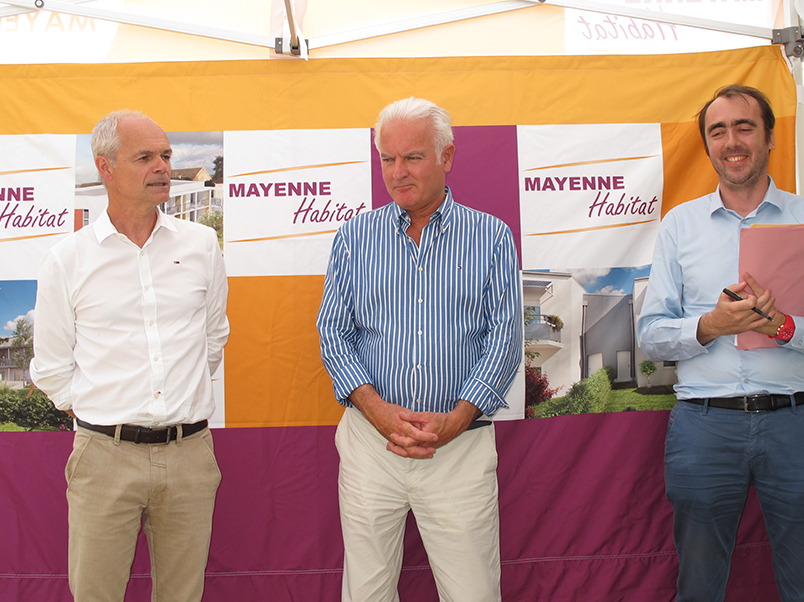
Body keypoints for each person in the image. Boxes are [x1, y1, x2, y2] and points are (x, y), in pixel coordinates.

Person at [316, 97, 522, 602]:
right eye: (387, 159)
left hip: (460, 447)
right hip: (371, 446)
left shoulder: (491, 237)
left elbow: (506, 338)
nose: (397, 172)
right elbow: (333, 332)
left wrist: (456, 418)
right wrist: (377, 410)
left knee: (472, 592)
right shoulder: (354, 237)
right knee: (365, 592)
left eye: (412, 157)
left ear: (447, 156)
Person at [30, 110, 230, 602]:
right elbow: (52, 367)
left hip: (189, 456)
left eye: (165, 155)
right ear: (105, 167)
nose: (162, 166)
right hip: (104, 458)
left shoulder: (202, 244)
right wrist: (106, 416)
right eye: (145, 157)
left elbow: (212, 337)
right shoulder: (67, 259)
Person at [638, 84, 804, 602]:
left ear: (770, 138)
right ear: (707, 145)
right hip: (704, 428)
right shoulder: (678, 226)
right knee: (700, 584)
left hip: (794, 424)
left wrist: (784, 326)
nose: (732, 141)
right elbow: (651, 336)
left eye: (745, 127)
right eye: (718, 130)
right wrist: (710, 325)